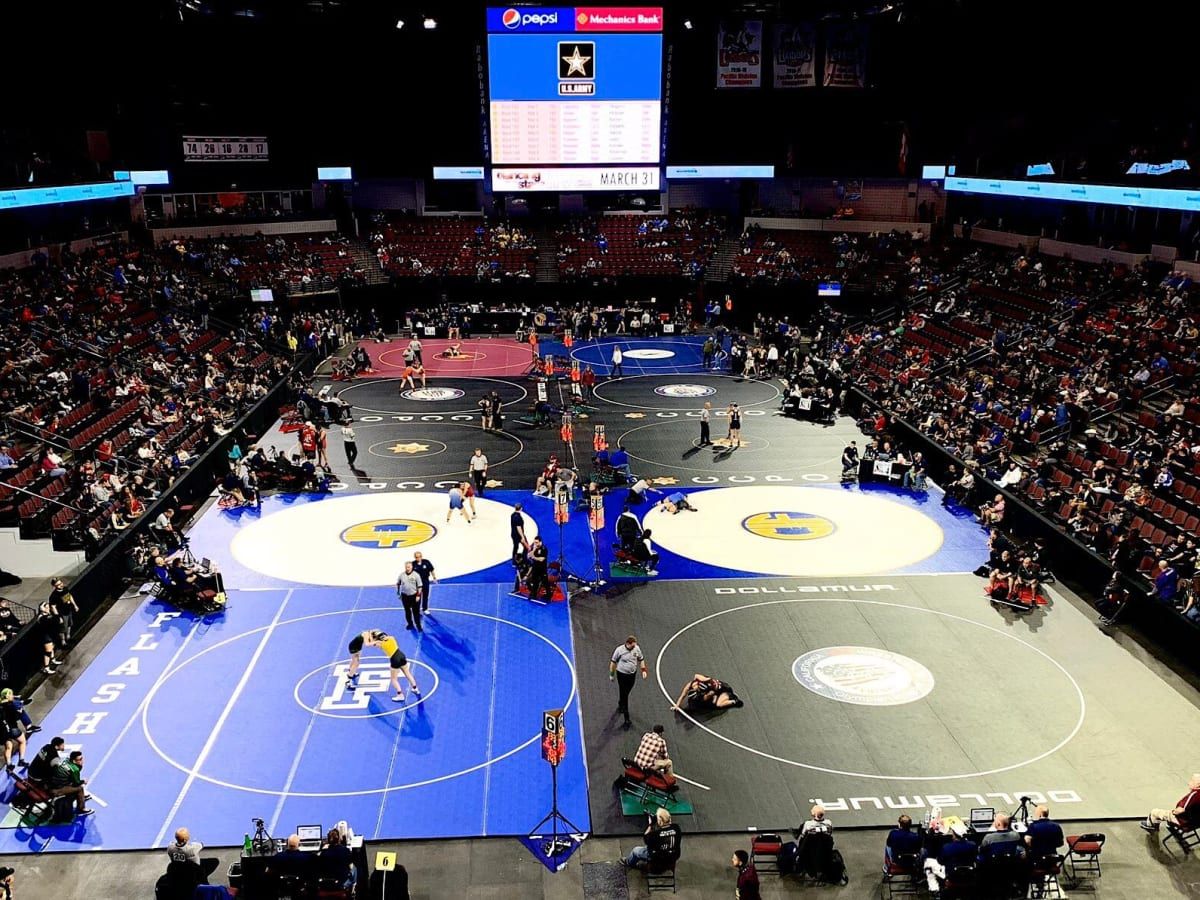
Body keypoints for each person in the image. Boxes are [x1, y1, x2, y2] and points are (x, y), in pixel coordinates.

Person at [345, 630, 420, 702]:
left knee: (394, 679)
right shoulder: (392, 638)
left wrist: (374, 640)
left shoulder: (380, 643)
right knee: (407, 673)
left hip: (395, 659)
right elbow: (383, 638)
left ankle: (400, 695)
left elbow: (371, 644)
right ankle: (415, 688)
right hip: (401, 655)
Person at [610, 635, 649, 727]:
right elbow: (613, 662)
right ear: (628, 644)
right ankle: (627, 718)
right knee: (625, 695)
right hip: (621, 674)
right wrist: (612, 674)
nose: (634, 647)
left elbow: (641, 659)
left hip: (632, 674)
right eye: (632, 646)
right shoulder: (619, 650)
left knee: (625, 692)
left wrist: (643, 670)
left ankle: (621, 703)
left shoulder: (636, 648)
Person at [47, 749, 94, 817]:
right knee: (80, 788)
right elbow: (76, 783)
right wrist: (83, 781)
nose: (82, 760)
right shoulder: (74, 769)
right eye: (80, 759)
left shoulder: (67, 760)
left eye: (82, 758)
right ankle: (81, 809)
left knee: (75, 785)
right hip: (56, 790)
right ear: (74, 761)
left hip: (54, 783)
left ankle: (81, 797)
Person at [673, 673, 742, 711]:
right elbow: (683, 695)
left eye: (699, 691)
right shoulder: (698, 680)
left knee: (718, 704)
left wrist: (711, 698)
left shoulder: (711, 689)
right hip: (717, 689)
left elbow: (713, 699)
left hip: (726, 691)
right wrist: (677, 705)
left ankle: (734, 700)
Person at [320, 827, 356, 891]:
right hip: (342, 883)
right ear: (339, 839)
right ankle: (353, 886)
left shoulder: (323, 853)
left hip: (327, 884)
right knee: (354, 868)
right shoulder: (345, 851)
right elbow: (350, 864)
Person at [396, 562, 424, 633]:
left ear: (412, 567)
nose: (407, 568)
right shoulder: (401, 575)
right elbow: (398, 584)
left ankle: (418, 626)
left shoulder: (416, 575)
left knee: (416, 612)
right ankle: (410, 624)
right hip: (405, 596)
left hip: (414, 596)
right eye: (406, 567)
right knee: (407, 611)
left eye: (408, 567)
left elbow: (420, 586)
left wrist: (418, 595)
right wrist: (398, 593)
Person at [48, 578, 78, 642]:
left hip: (68, 610)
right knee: (63, 628)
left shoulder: (65, 589)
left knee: (69, 624)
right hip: (62, 613)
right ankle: (63, 641)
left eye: (61, 583)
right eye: (58, 584)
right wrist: (58, 617)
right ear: (55, 586)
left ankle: (68, 636)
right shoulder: (54, 596)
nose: (61, 585)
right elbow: (53, 607)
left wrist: (74, 605)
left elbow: (69, 596)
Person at [412, 551, 436, 615]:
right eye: (417, 557)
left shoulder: (426, 562)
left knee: (425, 595)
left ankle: (425, 609)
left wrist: (434, 577)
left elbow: (432, 570)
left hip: (425, 581)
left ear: (421, 556)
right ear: (415, 557)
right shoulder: (413, 564)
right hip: (417, 583)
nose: (418, 558)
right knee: (418, 596)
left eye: (420, 557)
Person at [525, 536, 549, 600]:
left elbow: (542, 559)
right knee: (534, 582)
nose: (535, 544)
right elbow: (528, 556)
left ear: (540, 542)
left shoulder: (544, 549)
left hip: (542, 569)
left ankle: (548, 595)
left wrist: (534, 557)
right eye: (534, 542)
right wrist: (533, 550)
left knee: (545, 582)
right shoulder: (534, 547)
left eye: (537, 542)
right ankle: (534, 594)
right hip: (535, 568)